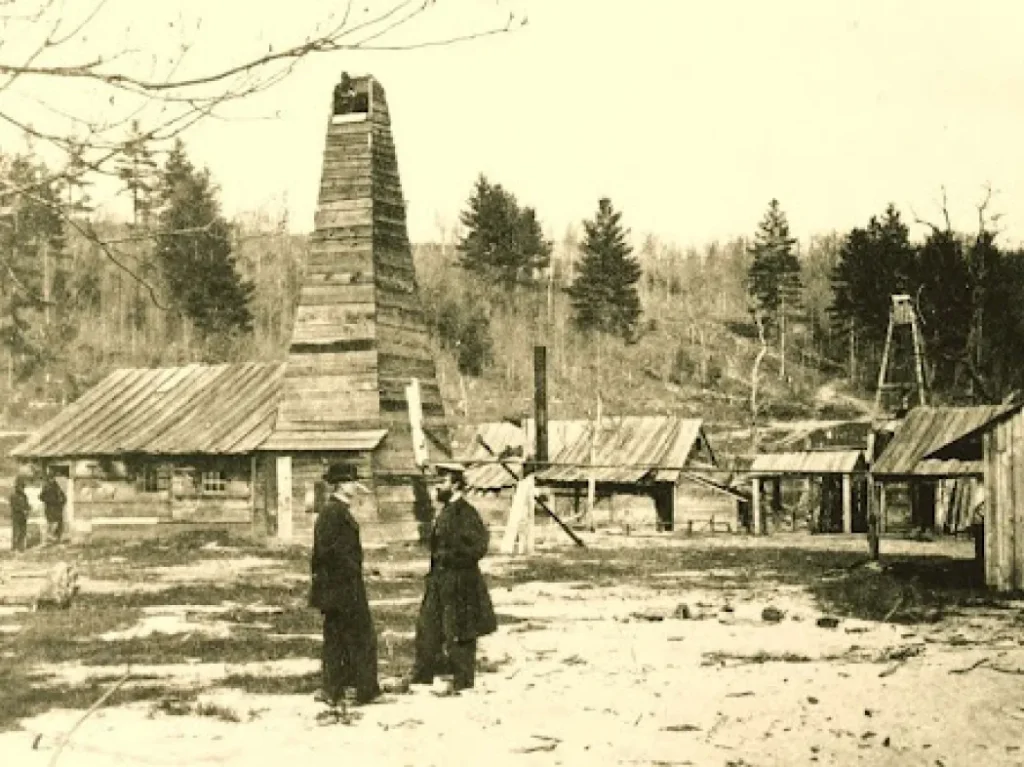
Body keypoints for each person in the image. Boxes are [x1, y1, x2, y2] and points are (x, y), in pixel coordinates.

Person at [410, 462, 497, 694]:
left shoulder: (466, 513)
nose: (438, 487)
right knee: (428, 627)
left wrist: (452, 558)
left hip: (461, 582)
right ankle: (422, 677)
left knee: (460, 631)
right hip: (439, 580)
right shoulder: (446, 511)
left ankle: (462, 681)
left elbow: (479, 547)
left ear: (456, 484)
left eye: (443, 482)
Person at [309, 462, 381, 712]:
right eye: (351, 481)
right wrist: (350, 571)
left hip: (341, 586)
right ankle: (361, 690)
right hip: (341, 587)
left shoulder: (337, 511)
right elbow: (328, 552)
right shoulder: (333, 513)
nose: (355, 485)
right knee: (358, 636)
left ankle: (337, 688)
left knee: (339, 637)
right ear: (341, 484)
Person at [39, 471, 66, 544]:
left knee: (58, 523)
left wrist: (61, 502)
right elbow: (41, 497)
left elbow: (63, 497)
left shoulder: (57, 487)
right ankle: (50, 538)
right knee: (51, 522)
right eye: (50, 478)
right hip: (50, 508)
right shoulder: (46, 487)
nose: (52, 480)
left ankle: (55, 539)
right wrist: (49, 500)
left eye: (52, 478)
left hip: (57, 508)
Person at [9, 475, 29, 552]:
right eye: (21, 487)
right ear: (17, 487)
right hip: (16, 517)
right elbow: (14, 507)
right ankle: (14, 548)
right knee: (16, 532)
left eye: (23, 487)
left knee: (23, 532)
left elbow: (27, 505)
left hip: (23, 517)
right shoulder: (13, 496)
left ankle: (21, 548)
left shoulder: (24, 496)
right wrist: (22, 510)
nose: (22, 489)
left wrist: (28, 509)